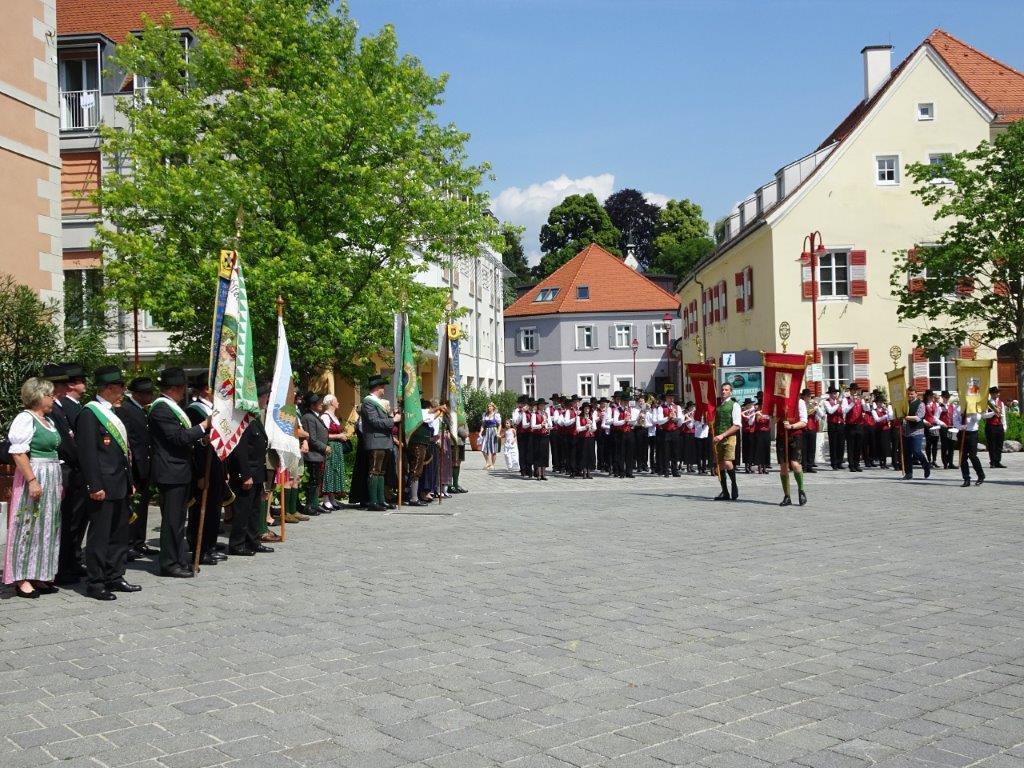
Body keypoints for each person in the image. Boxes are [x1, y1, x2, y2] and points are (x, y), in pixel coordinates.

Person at [76, 366, 138, 601]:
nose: (123, 390)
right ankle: (96, 582)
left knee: (119, 534)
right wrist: (94, 485)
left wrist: (130, 481)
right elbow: (88, 454)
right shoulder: (90, 413)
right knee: (100, 536)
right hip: (102, 484)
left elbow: (123, 452)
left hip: (119, 482)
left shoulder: (114, 412)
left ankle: (115, 575)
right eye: (121, 386)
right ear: (109, 387)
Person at [4, 377, 63, 598]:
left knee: (47, 526)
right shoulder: (25, 418)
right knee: (28, 525)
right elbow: (18, 452)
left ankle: (39, 573)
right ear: (38, 396)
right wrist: (32, 480)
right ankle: (21, 578)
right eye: (50, 395)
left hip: (51, 475)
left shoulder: (47, 420)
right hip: (35, 473)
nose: (53, 398)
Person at [150, 367, 210, 578]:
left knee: (178, 521)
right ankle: (169, 563)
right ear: (175, 388)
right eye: (183, 387)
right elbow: (178, 438)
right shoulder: (161, 408)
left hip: (180, 470)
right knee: (172, 521)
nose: (185, 391)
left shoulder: (173, 407)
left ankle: (179, 559)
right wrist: (204, 426)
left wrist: (201, 437)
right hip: (170, 471)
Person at [44, 364, 84, 586]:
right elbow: (66, 444)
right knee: (66, 523)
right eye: (58, 385)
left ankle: (70, 563)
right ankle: (62, 568)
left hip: (71, 472)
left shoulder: (59, 407)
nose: (61, 388)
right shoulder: (54, 410)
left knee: (72, 522)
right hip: (65, 471)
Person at [227, 383, 273, 554]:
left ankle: (253, 541)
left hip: (257, 472)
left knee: (254, 510)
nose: (266, 400)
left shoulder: (254, 418)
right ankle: (237, 544)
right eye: (265, 397)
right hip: (247, 473)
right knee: (243, 510)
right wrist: (245, 474)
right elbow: (240, 450)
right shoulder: (243, 421)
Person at [186, 375, 226, 566]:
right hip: (204, 466)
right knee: (202, 508)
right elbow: (196, 445)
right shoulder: (194, 410)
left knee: (214, 507)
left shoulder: (213, 409)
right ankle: (199, 547)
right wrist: (201, 474)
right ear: (205, 390)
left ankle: (210, 544)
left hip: (216, 464)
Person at [117, 377, 157, 561]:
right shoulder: (126, 409)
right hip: (135, 466)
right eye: (147, 393)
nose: (150, 396)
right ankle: (128, 543)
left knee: (142, 506)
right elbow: (129, 440)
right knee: (132, 507)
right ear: (137, 394)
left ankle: (139, 541)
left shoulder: (141, 409)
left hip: (145, 465)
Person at [360, 375, 401, 511]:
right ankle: (373, 501)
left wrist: (392, 416)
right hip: (376, 440)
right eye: (382, 387)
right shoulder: (368, 402)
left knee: (381, 472)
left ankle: (381, 500)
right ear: (377, 388)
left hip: (383, 441)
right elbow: (374, 421)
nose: (384, 389)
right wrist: (393, 420)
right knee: (374, 471)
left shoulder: (377, 402)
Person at [300, 392, 331, 515]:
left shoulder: (315, 416)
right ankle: (309, 506)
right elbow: (312, 438)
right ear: (312, 405)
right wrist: (324, 447)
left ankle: (314, 504)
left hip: (318, 455)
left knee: (317, 480)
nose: (321, 404)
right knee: (313, 481)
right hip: (313, 455)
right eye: (319, 402)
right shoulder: (308, 417)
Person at [711, 382, 742, 500]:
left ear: (731, 392)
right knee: (719, 465)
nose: (723, 391)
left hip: (729, 437)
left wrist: (723, 435)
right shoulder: (718, 405)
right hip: (717, 438)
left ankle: (734, 484)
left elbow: (737, 425)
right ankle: (725, 491)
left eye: (726, 390)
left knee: (727, 462)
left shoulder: (734, 405)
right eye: (722, 389)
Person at [776, 394, 808, 507]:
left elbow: (804, 421)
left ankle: (801, 490)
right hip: (781, 436)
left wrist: (791, 426)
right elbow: (772, 421)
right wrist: (775, 417)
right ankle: (787, 496)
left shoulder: (800, 402)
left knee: (795, 464)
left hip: (795, 436)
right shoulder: (778, 402)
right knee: (783, 466)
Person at [320, 394, 349, 510]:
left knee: (335, 471)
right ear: (332, 402)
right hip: (330, 447)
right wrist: (339, 436)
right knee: (329, 471)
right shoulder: (325, 417)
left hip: (337, 447)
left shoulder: (334, 416)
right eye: (336, 401)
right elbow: (323, 435)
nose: (338, 403)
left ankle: (332, 497)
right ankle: (325, 499)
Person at [954, 401, 993, 487]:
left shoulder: (975, 406)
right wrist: (960, 426)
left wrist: (971, 414)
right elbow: (955, 420)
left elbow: (978, 418)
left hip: (972, 433)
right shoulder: (958, 407)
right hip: (962, 433)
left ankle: (981, 475)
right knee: (963, 457)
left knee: (973, 456)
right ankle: (966, 478)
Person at [901, 386, 931, 480]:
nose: (910, 396)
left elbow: (918, 417)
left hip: (917, 431)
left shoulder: (921, 404)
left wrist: (906, 417)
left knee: (916, 451)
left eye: (912, 394)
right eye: (908, 394)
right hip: (906, 431)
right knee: (907, 453)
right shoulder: (905, 403)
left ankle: (926, 465)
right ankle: (908, 473)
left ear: (916, 394)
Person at [841, 382, 865, 472]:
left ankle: (857, 464)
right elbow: (844, 410)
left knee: (858, 446)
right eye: (854, 390)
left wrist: (866, 402)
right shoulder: (846, 399)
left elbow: (866, 409)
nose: (855, 392)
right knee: (851, 446)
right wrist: (852, 403)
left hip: (859, 425)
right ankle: (851, 465)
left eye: (856, 390)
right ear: (850, 391)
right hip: (850, 425)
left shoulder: (860, 399)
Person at [869, 391, 893, 470]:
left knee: (885, 446)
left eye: (881, 402)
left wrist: (887, 411)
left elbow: (890, 417)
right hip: (879, 430)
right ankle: (881, 462)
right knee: (880, 446)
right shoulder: (874, 410)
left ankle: (885, 462)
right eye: (879, 402)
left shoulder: (885, 410)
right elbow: (877, 419)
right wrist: (886, 415)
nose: (880, 404)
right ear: (876, 403)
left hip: (886, 430)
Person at [530, 397, 552, 480]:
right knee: (538, 454)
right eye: (541, 405)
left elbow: (549, 424)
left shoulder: (546, 414)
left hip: (545, 436)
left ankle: (544, 474)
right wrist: (540, 425)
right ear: (538, 406)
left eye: (543, 405)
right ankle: (538, 474)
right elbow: (532, 426)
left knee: (545, 454)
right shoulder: (534, 414)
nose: (542, 406)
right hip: (537, 436)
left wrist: (549, 427)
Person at [823, 386, 845, 470]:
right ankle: (834, 463)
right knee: (833, 444)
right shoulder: (826, 402)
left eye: (836, 393)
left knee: (841, 444)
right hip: (832, 425)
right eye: (833, 393)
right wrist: (838, 404)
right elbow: (830, 411)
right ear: (830, 394)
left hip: (840, 424)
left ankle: (840, 462)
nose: (835, 395)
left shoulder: (839, 401)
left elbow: (844, 411)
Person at [986, 387, 1007, 468]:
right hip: (991, 426)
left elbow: (1003, 415)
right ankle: (992, 462)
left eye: (998, 392)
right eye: (996, 393)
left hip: (999, 426)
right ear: (991, 394)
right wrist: (994, 412)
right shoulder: (987, 403)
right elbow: (984, 416)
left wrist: (1004, 426)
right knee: (992, 445)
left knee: (999, 445)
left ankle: (998, 461)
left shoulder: (1001, 403)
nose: (998, 394)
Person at [575, 403, 597, 479]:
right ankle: (584, 472)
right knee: (583, 454)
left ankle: (589, 472)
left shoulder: (591, 417)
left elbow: (595, 428)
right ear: (583, 409)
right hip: (582, 438)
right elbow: (578, 428)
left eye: (588, 408)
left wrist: (591, 427)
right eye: (585, 408)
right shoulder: (579, 417)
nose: (587, 410)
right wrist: (585, 427)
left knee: (590, 454)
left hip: (590, 437)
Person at [803, 393, 822, 473]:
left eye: (809, 396)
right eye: (807, 396)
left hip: (812, 428)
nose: (809, 398)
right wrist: (813, 408)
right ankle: (804, 466)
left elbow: (821, 415)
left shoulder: (813, 405)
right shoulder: (802, 405)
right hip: (804, 428)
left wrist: (817, 407)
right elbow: (806, 413)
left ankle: (810, 466)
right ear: (804, 397)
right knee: (804, 448)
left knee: (812, 448)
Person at [480, 402, 501, 469]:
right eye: (488, 406)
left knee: (493, 449)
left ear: (493, 407)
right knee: (483, 448)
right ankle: (488, 462)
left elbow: (499, 425)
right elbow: (483, 425)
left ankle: (492, 465)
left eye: (490, 406)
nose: (489, 408)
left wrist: (498, 433)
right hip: (486, 431)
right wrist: (480, 432)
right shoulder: (485, 415)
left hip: (493, 431)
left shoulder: (496, 415)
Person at [740, 398, 756, 473]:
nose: (750, 406)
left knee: (751, 449)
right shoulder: (744, 412)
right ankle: (746, 466)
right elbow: (747, 421)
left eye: (751, 404)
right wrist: (748, 413)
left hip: (752, 432)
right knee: (746, 450)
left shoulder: (753, 412)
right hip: (746, 432)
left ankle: (750, 465)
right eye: (749, 405)